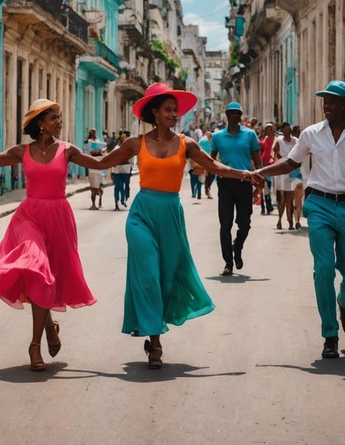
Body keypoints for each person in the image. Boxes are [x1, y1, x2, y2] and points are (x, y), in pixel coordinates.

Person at [82, 83, 255, 369]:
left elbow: (215, 167)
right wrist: (63, 154)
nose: (174, 114)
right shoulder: (135, 143)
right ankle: (156, 340)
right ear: (155, 112)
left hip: (171, 215)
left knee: (165, 277)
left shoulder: (187, 144)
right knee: (148, 272)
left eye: (176, 110)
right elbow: (101, 163)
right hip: (142, 214)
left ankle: (154, 325)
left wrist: (245, 174)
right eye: (168, 110)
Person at [253, 81, 345, 360]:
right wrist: (262, 171)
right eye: (325, 100)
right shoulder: (311, 134)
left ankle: (344, 302)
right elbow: (290, 163)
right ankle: (329, 334)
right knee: (323, 269)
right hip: (320, 205)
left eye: (332, 101)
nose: (326, 105)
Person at [0, 99, 97, 372]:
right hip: (29, 216)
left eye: (59, 117)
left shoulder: (67, 150)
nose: (59, 122)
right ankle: (35, 345)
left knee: (47, 277)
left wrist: (138, 149)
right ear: (40, 123)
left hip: (58, 219)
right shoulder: (21, 151)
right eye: (54, 118)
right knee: (37, 268)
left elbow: (101, 163)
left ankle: (49, 328)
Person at [207, 101, 262, 276]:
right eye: (232, 113)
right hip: (225, 184)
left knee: (244, 224)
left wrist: (260, 183)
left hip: (245, 183)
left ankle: (237, 247)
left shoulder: (250, 135)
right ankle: (228, 263)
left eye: (238, 113)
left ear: (241, 115)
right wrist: (208, 181)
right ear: (226, 115)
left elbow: (258, 161)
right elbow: (212, 160)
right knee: (225, 224)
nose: (235, 116)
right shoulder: (218, 137)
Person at [273, 122, 299, 230]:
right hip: (281, 171)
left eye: (290, 131)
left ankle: (290, 221)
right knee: (282, 198)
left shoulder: (296, 141)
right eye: (286, 130)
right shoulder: (279, 141)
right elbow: (275, 155)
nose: (288, 133)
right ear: (283, 130)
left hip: (292, 171)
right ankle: (279, 220)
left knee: (290, 198)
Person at [84, 128, 105, 210]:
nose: (94, 133)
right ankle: (93, 204)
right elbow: (86, 153)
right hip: (92, 167)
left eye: (94, 131)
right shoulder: (88, 142)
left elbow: (103, 151)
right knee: (93, 187)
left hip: (99, 167)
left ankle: (100, 199)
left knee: (100, 186)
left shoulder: (99, 142)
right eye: (92, 132)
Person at [111, 131, 132, 210]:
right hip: (117, 171)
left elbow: (130, 160)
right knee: (117, 187)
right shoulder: (116, 148)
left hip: (125, 171)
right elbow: (112, 159)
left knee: (124, 187)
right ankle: (116, 203)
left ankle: (123, 200)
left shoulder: (128, 148)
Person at [258, 122, 276, 214]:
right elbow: (262, 147)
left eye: (270, 128)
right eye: (267, 128)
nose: (269, 130)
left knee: (268, 185)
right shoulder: (265, 138)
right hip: (264, 164)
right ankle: (264, 206)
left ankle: (268, 206)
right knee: (264, 186)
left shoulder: (277, 139)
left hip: (272, 164)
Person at [198, 130, 214, 199]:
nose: (210, 137)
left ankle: (207, 189)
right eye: (209, 136)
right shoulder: (204, 141)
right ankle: (207, 190)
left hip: (210, 161)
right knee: (207, 177)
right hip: (204, 161)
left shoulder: (211, 141)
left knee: (211, 176)